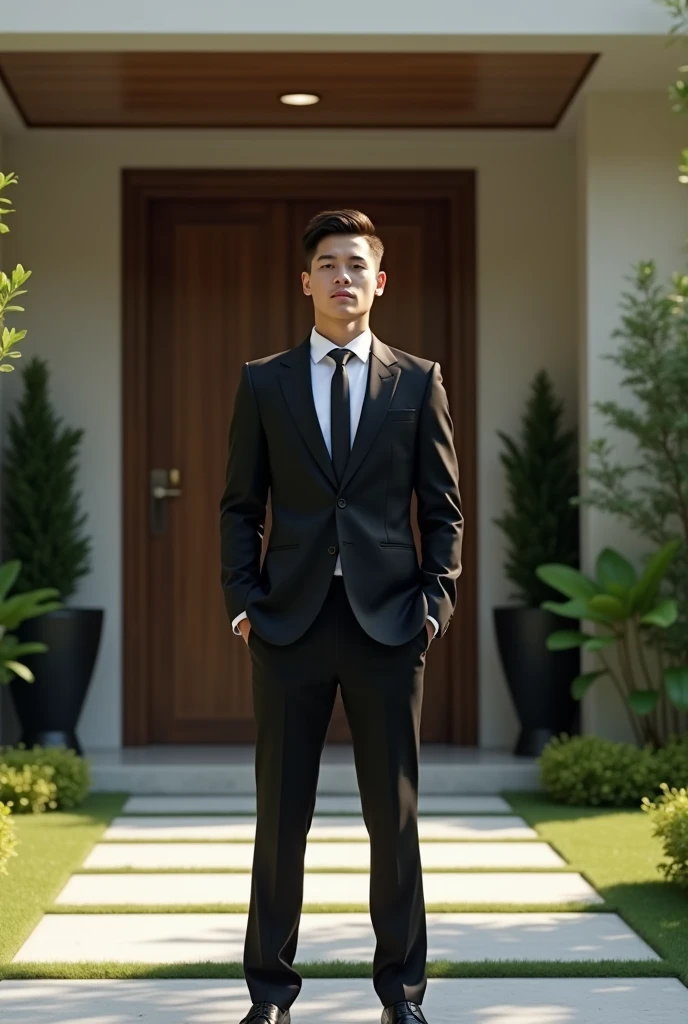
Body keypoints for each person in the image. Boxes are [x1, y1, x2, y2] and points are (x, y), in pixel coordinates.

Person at [220, 208, 463, 1024]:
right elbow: (238, 504)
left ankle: (402, 994)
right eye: (328, 264)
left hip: (389, 626)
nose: (342, 278)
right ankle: (271, 995)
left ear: (379, 280)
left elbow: (445, 511)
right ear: (306, 281)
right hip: (286, 625)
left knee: (391, 821)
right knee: (279, 819)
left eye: (356, 265)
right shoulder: (265, 381)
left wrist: (433, 606)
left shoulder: (418, 380)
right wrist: (243, 604)